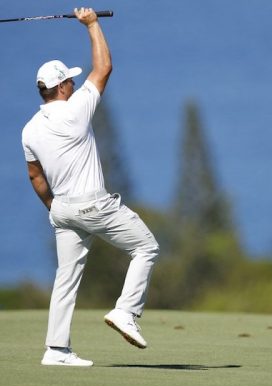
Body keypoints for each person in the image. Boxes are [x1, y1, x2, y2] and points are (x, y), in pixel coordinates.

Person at [21, 8, 159, 367]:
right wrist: (92, 24)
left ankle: (56, 349)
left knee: (65, 278)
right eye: (68, 80)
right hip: (93, 205)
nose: (72, 84)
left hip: (62, 209)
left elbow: (36, 177)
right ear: (63, 87)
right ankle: (126, 311)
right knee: (146, 247)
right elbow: (104, 68)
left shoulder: (29, 129)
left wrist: (53, 206)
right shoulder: (76, 108)